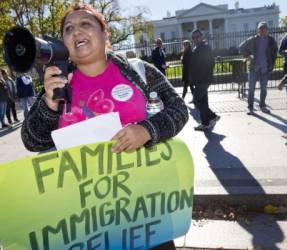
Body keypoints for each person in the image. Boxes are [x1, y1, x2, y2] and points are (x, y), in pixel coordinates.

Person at [21, 4, 188, 249]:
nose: (76, 31)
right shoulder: (57, 84)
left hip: (144, 212)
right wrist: (48, 102)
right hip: (85, 220)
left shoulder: (140, 72)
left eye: (85, 24)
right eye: (68, 29)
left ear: (104, 34)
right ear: (64, 43)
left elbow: (178, 110)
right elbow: (32, 140)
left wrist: (146, 130)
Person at [239, 21, 278, 115]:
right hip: (254, 68)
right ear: (258, 30)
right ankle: (250, 108)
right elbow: (241, 47)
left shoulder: (271, 40)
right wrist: (248, 55)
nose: (263, 30)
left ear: (267, 30)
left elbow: (275, 52)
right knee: (251, 89)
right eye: (261, 28)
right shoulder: (253, 39)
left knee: (263, 89)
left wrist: (271, 63)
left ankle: (262, 106)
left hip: (264, 68)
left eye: (264, 28)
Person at [189, 29, 220, 131]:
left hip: (203, 79)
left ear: (201, 36)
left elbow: (210, 63)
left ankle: (212, 116)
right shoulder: (197, 48)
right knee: (203, 101)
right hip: (199, 80)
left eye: (197, 36)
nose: (195, 39)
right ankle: (205, 123)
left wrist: (202, 76)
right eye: (193, 37)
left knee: (196, 100)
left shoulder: (205, 48)